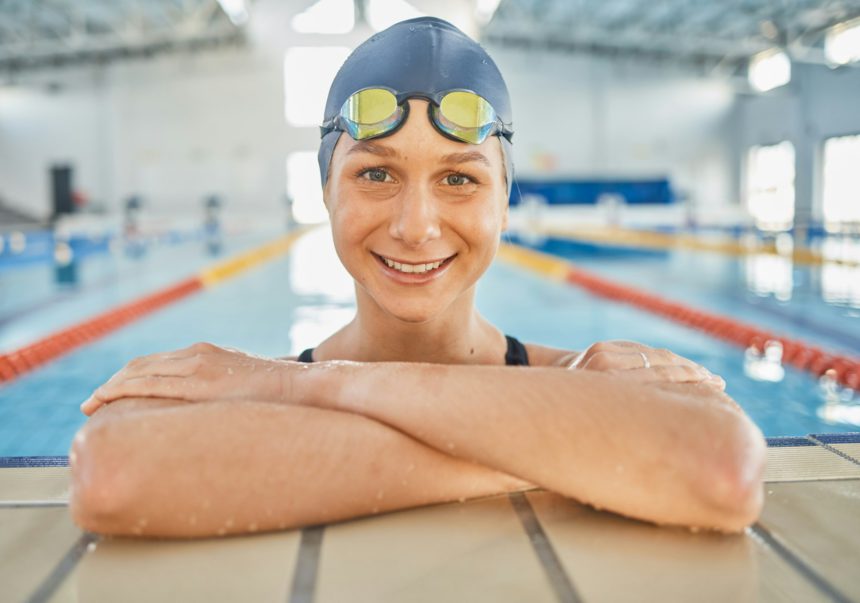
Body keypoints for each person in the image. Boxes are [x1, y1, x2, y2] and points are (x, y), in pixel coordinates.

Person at [71, 17, 766, 539]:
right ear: (325, 193)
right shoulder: (597, 390)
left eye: (459, 178)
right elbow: (110, 473)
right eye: (376, 172)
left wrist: (302, 383)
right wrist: (576, 447)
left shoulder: (268, 387)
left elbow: (723, 469)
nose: (415, 226)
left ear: (504, 202)